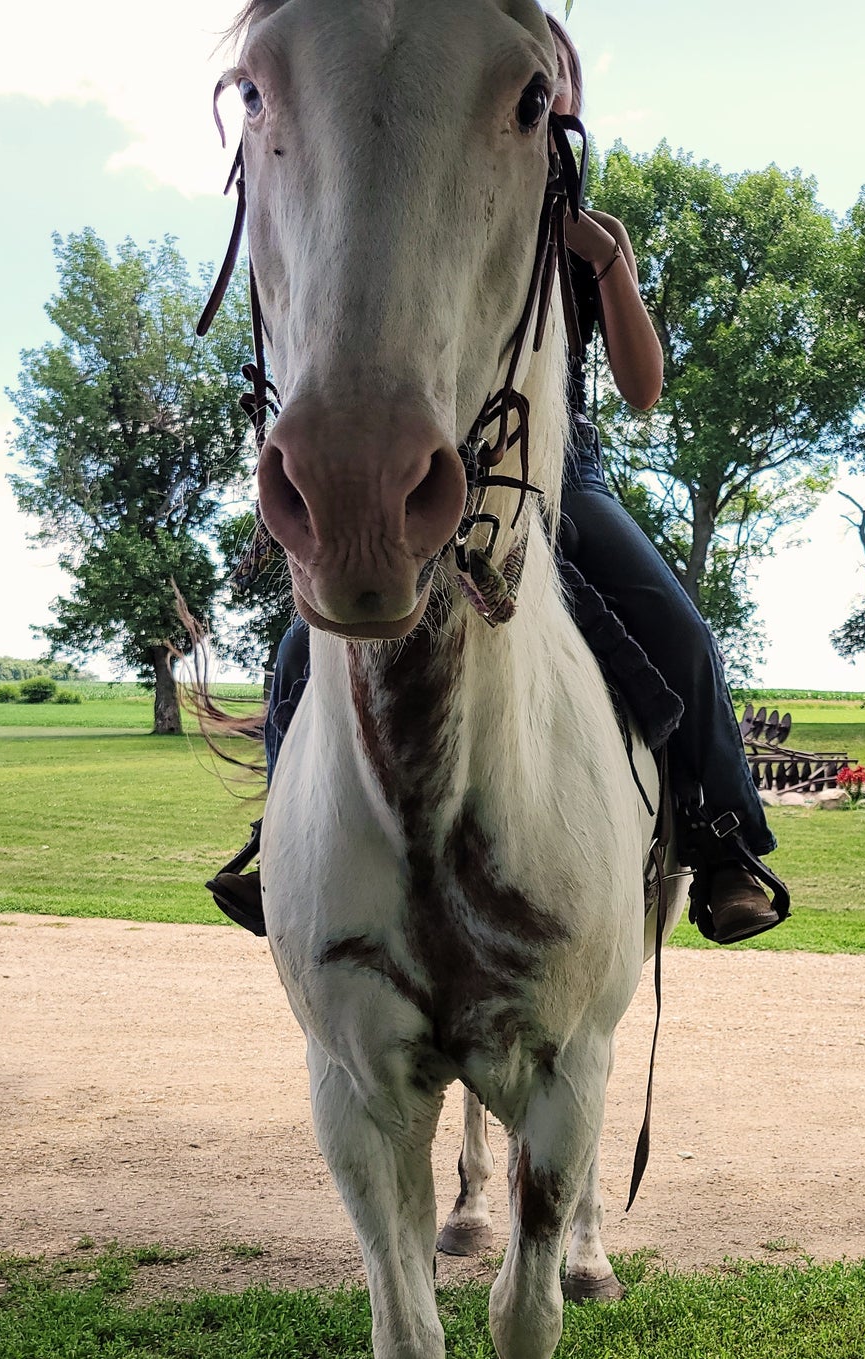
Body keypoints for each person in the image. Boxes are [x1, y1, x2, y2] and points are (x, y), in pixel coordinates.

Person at [256, 13, 784, 944]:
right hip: (442, 454)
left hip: (558, 481)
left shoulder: (585, 236)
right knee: (301, 650)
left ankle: (725, 838)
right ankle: (279, 838)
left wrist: (613, 265)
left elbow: (642, 387)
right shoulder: (449, 196)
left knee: (679, 631)